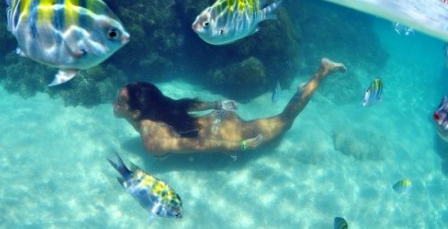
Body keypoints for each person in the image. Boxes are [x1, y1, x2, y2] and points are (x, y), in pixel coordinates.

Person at [113, 58, 347, 156]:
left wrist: (241, 145)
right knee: (279, 122)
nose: (114, 103)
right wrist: (217, 105)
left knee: (284, 122)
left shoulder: (151, 138)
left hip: (228, 133)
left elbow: (202, 145)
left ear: (136, 112)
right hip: (219, 120)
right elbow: (180, 106)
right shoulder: (154, 111)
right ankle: (302, 88)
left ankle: (323, 70)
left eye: (120, 101)